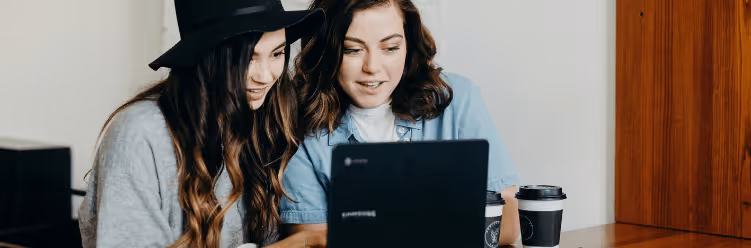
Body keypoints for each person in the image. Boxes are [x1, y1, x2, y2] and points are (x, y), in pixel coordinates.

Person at [78, 0, 328, 247]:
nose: (265, 76)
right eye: (247, 59)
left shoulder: (264, 121)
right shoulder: (140, 134)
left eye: (277, 53)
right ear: (206, 55)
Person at [281, 0, 521, 245]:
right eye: (352, 50)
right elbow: (313, 240)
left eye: (391, 47)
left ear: (409, 45)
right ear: (326, 51)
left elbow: (509, 222)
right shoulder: (300, 128)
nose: (372, 67)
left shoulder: (457, 99)